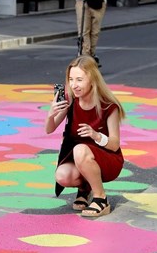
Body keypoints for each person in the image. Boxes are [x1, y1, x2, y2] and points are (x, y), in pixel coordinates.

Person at [45, 55, 125, 218]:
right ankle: (85, 188)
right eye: (71, 79)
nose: (74, 85)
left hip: (108, 160)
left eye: (79, 80)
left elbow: (114, 145)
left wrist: (96, 135)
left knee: (81, 149)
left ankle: (101, 199)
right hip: (81, 158)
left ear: (92, 80)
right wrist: (50, 114)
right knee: (62, 175)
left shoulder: (109, 107)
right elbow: (49, 129)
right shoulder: (71, 102)